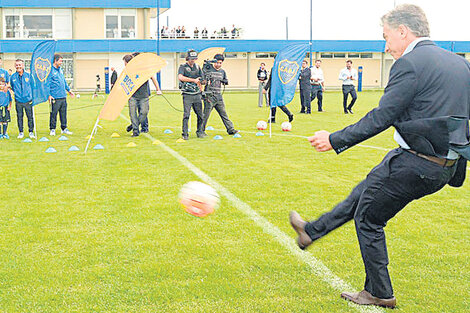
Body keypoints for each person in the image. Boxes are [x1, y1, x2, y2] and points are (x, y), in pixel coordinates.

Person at [289, 4, 470, 309]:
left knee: (369, 218)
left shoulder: (410, 64)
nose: (386, 46)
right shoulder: (460, 63)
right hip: (443, 166)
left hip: (417, 163)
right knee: (364, 193)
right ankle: (310, 231)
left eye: (387, 37)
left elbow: (382, 116)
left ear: (403, 31)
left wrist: (334, 139)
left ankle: (380, 293)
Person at [122, 53, 161, 137]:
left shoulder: (144, 69)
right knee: (132, 114)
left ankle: (133, 125)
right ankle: (135, 131)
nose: (124, 65)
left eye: (125, 63)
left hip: (144, 95)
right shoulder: (127, 71)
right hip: (132, 96)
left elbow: (153, 78)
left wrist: (158, 89)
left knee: (144, 112)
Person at [201, 54, 238, 135]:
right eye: (217, 62)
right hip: (209, 96)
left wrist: (225, 81)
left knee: (224, 114)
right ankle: (201, 131)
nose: (218, 64)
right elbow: (202, 81)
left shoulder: (222, 72)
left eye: (220, 63)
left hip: (219, 96)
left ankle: (230, 129)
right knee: (205, 115)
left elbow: (225, 80)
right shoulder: (208, 70)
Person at [178, 49, 205, 140]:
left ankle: (199, 131)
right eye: (191, 58)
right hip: (187, 94)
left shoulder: (198, 67)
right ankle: (185, 134)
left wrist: (203, 84)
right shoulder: (182, 67)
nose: (192, 60)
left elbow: (201, 80)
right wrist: (193, 80)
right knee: (186, 115)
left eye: (194, 58)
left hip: (197, 94)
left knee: (200, 115)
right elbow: (180, 77)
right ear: (187, 58)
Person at [49, 54, 74, 136]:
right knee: (54, 114)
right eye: (60, 61)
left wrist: (69, 90)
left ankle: (64, 128)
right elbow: (46, 85)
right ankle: (52, 129)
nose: (61, 62)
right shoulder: (50, 71)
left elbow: (63, 81)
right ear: (55, 61)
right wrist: (49, 95)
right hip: (55, 97)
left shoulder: (60, 70)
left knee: (63, 114)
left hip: (63, 96)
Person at [10, 59, 34, 139]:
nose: (18, 66)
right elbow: (13, 87)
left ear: (23, 66)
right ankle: (21, 132)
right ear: (15, 66)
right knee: (19, 117)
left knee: (30, 117)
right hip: (18, 101)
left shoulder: (29, 75)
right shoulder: (13, 77)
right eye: (17, 65)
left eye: (20, 65)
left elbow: (33, 86)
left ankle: (31, 132)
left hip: (28, 100)